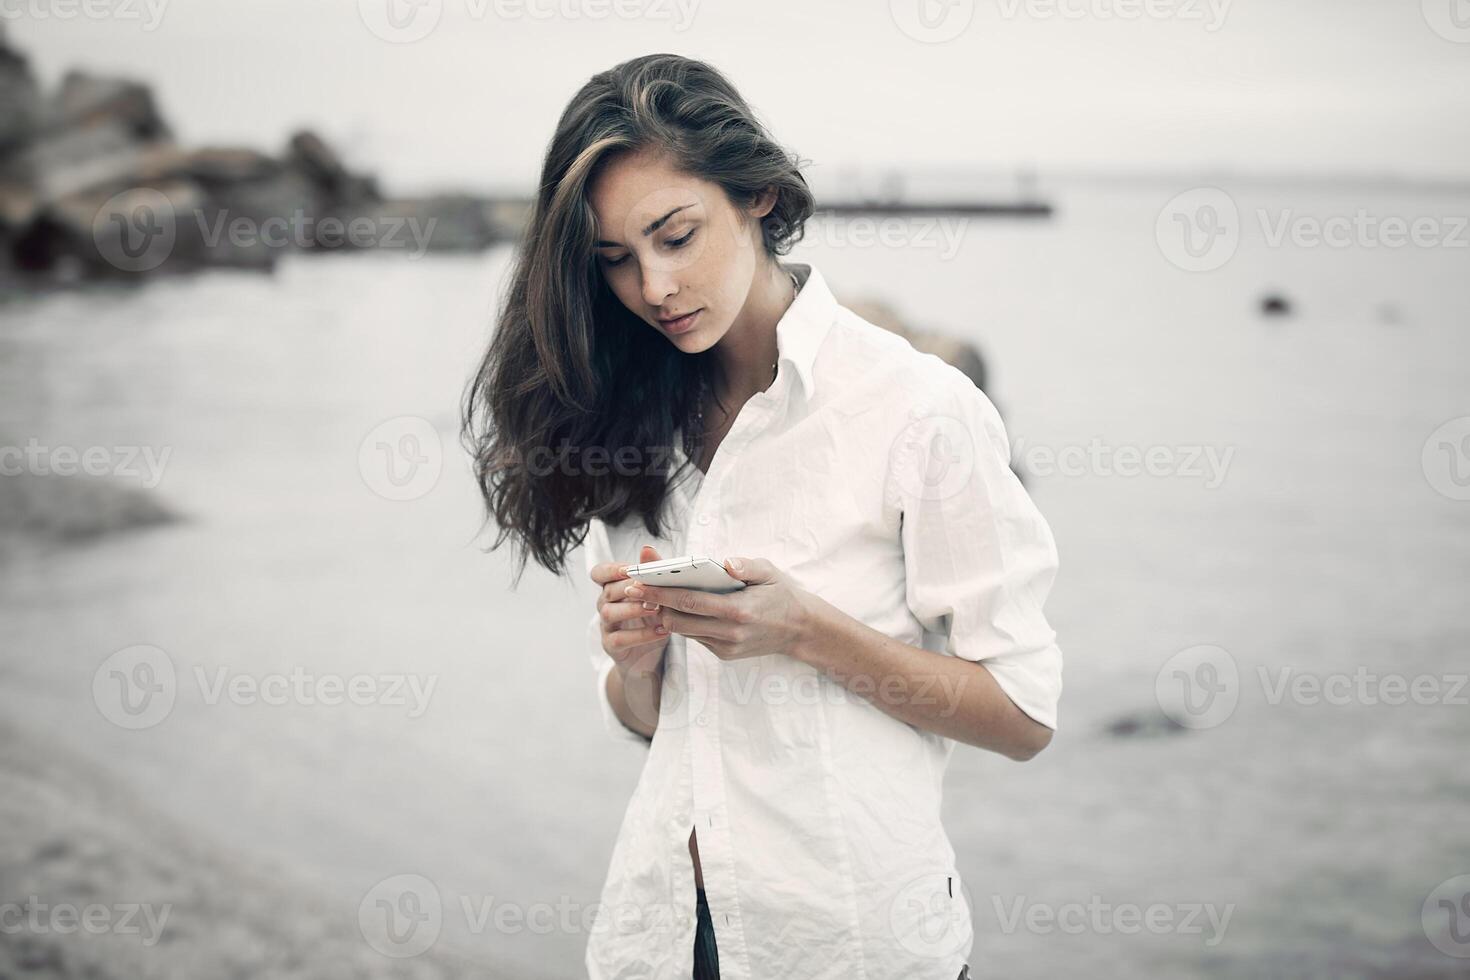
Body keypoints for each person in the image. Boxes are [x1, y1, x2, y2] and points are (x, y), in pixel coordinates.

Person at [461, 53, 1061, 980]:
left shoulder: (917, 409)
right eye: (616, 260)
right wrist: (635, 662)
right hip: (662, 938)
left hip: (851, 947)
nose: (653, 287)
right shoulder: (632, 415)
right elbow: (651, 724)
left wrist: (808, 630)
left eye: (676, 234)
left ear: (760, 200)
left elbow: (1022, 715)